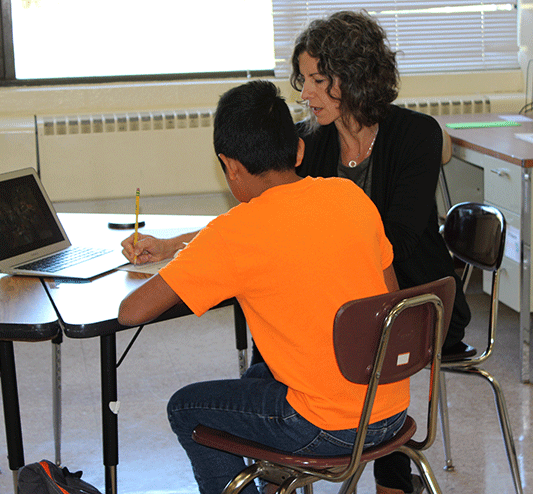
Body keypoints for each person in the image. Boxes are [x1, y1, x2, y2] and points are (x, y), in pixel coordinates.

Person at [121, 11, 473, 494]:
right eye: (302, 80)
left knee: (246, 370)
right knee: (272, 358)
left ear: (351, 77)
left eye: (316, 80)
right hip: (372, 357)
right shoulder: (316, 152)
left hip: (415, 308)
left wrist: (308, 253)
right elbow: (267, 224)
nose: (304, 93)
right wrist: (170, 245)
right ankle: (280, 476)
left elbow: (396, 239)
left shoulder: (414, 135)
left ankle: (385, 479)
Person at [118, 80, 407, 494]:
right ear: (299, 150)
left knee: (186, 407)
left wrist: (187, 258)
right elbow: (391, 295)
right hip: (391, 409)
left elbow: (132, 312)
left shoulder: (235, 233)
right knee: (258, 376)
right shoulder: (351, 197)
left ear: (230, 165)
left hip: (326, 426)